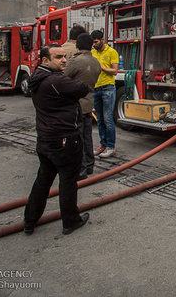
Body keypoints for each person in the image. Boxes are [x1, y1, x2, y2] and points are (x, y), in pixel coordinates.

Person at [23, 44, 90, 236]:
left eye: (64, 56)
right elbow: (82, 88)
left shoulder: (37, 78)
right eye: (58, 57)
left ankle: (30, 220)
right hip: (64, 140)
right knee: (68, 181)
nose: (64, 60)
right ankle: (70, 221)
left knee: (43, 181)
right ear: (45, 60)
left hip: (45, 139)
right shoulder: (55, 81)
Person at [65, 33, 102, 180]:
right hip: (88, 104)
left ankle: (80, 170)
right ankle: (89, 165)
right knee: (87, 137)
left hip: (76, 105)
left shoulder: (76, 62)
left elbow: (64, 78)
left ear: (78, 46)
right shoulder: (95, 62)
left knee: (77, 139)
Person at [91, 30, 119, 159]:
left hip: (108, 87)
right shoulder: (92, 52)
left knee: (108, 119)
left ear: (102, 39)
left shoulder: (112, 52)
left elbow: (114, 71)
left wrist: (101, 68)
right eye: (93, 42)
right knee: (100, 119)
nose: (94, 44)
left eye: (96, 41)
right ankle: (102, 145)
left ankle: (110, 146)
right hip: (96, 88)